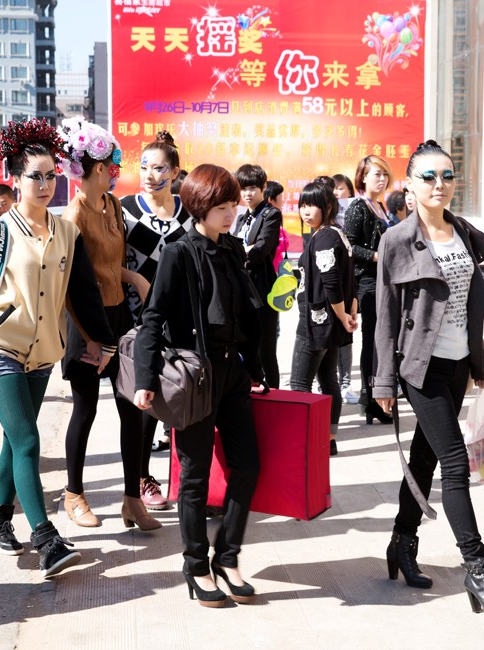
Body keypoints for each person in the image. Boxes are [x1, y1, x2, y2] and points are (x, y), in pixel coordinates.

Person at [0, 118, 116, 578]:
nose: (44, 185)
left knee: (14, 438)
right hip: (1, 347)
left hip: (44, 352)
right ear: (16, 179)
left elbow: (83, 293)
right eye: (34, 177)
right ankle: (46, 538)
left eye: (50, 176)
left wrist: (103, 340)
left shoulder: (67, 233)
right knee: (27, 439)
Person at [373, 140, 484, 618]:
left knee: (426, 456)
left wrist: (479, 360)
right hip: (421, 367)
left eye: (448, 175)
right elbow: (385, 315)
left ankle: (402, 542)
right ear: (410, 185)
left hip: (458, 364)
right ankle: (478, 569)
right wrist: (383, 381)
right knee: (455, 464)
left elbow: (471, 307)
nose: (440, 184)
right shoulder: (396, 240)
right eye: (429, 176)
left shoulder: (464, 233)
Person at [133, 164, 265, 608]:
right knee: (194, 476)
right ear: (200, 206)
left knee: (248, 466)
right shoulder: (179, 252)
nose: (231, 214)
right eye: (222, 207)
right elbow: (153, 317)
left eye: (233, 205)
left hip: (233, 376)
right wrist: (146, 379)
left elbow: (246, 315)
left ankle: (227, 556)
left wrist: (256, 369)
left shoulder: (232, 248)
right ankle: (195, 565)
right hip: (195, 378)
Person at [56, 118, 162, 529]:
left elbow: (108, 265)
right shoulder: (73, 215)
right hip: (86, 322)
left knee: (131, 408)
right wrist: (90, 337)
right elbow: (70, 282)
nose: (116, 171)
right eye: (113, 165)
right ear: (98, 167)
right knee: (85, 410)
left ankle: (132, 499)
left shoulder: (113, 206)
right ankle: (74, 494)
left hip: (118, 315)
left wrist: (134, 278)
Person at [120, 131, 189, 504]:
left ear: (175, 172)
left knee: (182, 397)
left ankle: (186, 480)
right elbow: (105, 262)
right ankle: (143, 478)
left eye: (159, 168)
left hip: (181, 321)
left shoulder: (188, 210)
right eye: (144, 166)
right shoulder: (124, 209)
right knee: (145, 398)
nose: (149, 175)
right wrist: (134, 278)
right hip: (138, 320)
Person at [289, 182, 357, 456]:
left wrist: (343, 316)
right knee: (328, 379)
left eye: (312, 205)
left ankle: (304, 440)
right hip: (330, 321)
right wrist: (349, 313)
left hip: (317, 321)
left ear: (327, 206)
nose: (306, 212)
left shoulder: (325, 237)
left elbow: (332, 282)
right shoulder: (335, 233)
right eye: (302, 206)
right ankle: (328, 439)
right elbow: (350, 278)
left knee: (299, 382)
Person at [343, 155, 394, 425]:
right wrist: (376, 256)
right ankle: (370, 398)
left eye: (385, 175)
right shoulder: (358, 207)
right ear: (363, 177)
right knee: (373, 341)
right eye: (377, 174)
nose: (382, 179)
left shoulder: (380, 206)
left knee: (382, 341)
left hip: (384, 282)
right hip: (367, 284)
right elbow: (348, 245)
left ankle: (376, 398)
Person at [232, 164, 283, 388]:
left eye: (252, 188)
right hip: (242, 291)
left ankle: (275, 397)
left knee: (266, 351)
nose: (247, 194)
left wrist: (240, 252)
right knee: (245, 350)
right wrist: (244, 250)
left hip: (262, 291)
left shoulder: (271, 214)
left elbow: (260, 251)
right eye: (243, 189)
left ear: (263, 188)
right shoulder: (242, 218)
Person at [329, 174, 358, 404]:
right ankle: (331, 380)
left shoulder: (354, 212)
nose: (337, 193)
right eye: (334, 189)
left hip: (349, 281)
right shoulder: (325, 218)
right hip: (332, 284)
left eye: (341, 188)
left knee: (346, 333)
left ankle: (346, 382)